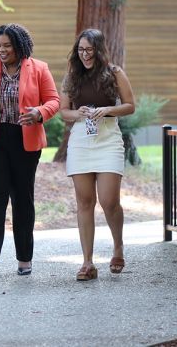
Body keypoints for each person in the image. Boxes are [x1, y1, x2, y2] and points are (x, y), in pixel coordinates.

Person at [0, 24, 60, 276]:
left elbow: (54, 101)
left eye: (7, 45)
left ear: (19, 46)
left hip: (24, 139)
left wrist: (38, 113)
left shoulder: (39, 68)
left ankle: (24, 259)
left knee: (22, 199)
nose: (1, 50)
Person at [59, 28, 135, 280]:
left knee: (109, 200)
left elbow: (130, 106)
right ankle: (88, 263)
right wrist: (78, 114)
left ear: (99, 50)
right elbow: (64, 112)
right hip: (81, 140)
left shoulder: (114, 73)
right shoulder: (72, 76)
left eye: (89, 50)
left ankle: (118, 246)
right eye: (81, 50)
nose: (85, 55)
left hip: (108, 139)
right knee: (84, 202)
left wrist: (107, 110)